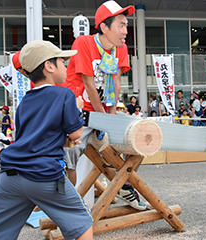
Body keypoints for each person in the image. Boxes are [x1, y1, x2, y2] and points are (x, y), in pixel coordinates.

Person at [0, 40, 93, 240]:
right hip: (43, 173)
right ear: (49, 66)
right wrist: (76, 108)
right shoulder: (65, 94)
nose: (66, 66)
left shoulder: (25, 100)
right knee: (82, 224)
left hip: (10, 174)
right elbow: (77, 133)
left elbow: (32, 137)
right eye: (62, 62)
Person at [61, 0, 146, 210]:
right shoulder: (83, 43)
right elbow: (89, 84)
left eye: (126, 25)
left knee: (137, 134)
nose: (126, 30)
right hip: (77, 111)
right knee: (71, 158)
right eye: (121, 25)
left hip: (102, 112)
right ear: (104, 27)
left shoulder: (121, 48)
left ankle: (124, 185)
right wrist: (104, 120)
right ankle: (69, 204)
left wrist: (111, 115)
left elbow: (116, 82)